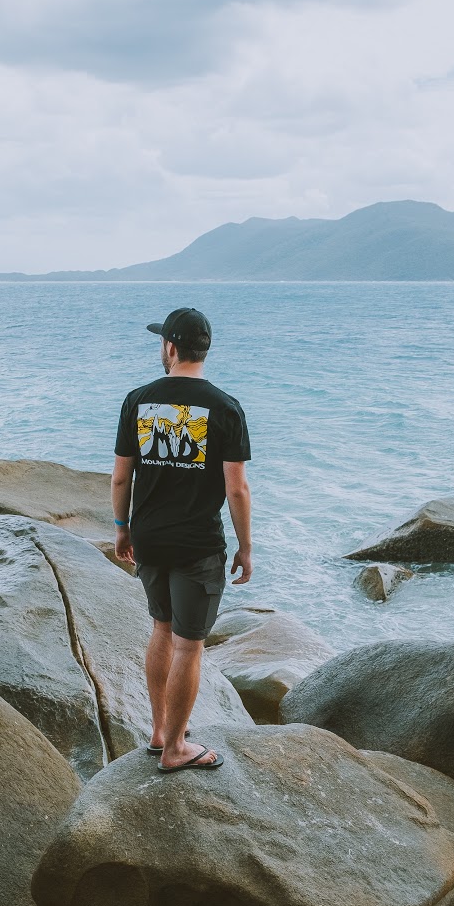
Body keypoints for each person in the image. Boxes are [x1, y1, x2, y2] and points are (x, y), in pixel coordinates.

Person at [111, 307, 252, 773]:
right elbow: (236, 488)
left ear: (171, 348)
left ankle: (159, 735)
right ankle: (175, 749)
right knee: (189, 645)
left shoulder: (138, 400)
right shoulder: (226, 408)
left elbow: (120, 479)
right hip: (197, 543)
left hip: (150, 538)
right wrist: (245, 546)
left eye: (161, 343)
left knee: (161, 631)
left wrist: (122, 528)